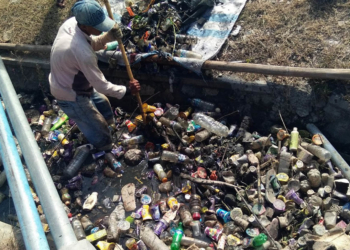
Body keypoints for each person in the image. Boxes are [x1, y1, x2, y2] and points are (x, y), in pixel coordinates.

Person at [49, 0, 140, 151]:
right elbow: (101, 85)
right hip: (69, 94)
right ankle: (105, 148)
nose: (101, 29)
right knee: (99, 131)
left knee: (103, 104)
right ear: (84, 25)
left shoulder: (73, 23)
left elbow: (90, 43)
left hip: (76, 81)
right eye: (98, 26)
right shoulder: (81, 52)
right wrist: (128, 90)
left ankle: (110, 127)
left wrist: (109, 36)